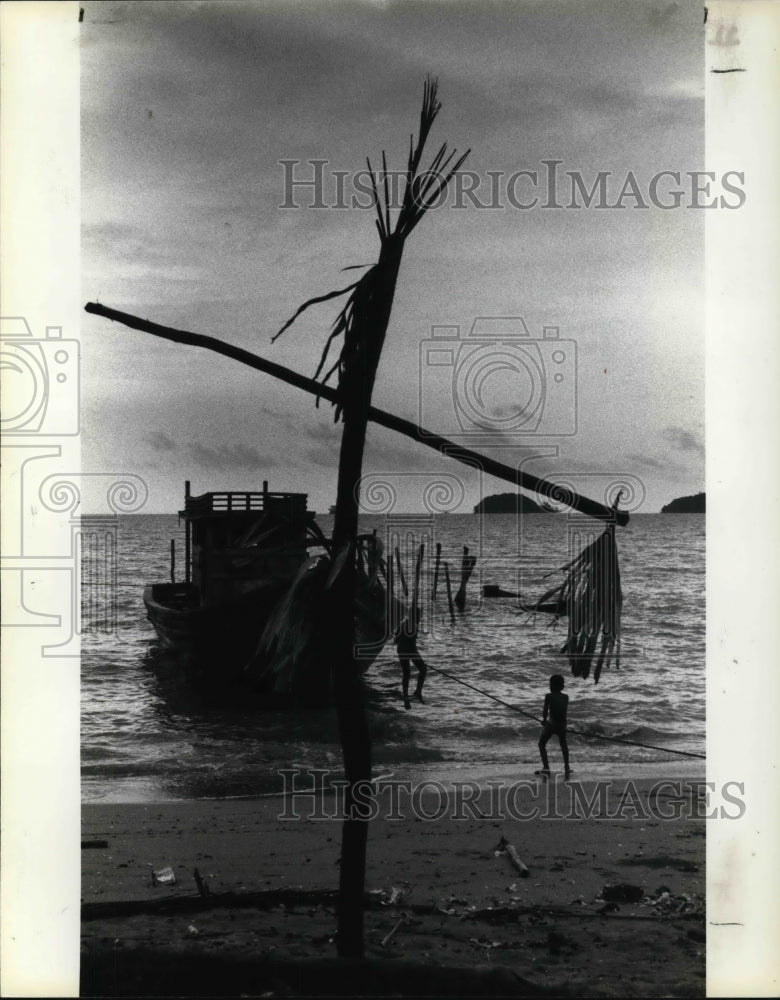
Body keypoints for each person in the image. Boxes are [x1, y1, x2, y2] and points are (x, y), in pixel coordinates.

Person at [538, 674, 571, 777]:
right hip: (561, 725)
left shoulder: (549, 696)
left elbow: (545, 711)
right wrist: (564, 725)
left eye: (550, 685)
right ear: (562, 686)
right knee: (563, 745)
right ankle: (567, 767)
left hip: (551, 724)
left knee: (541, 744)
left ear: (552, 686)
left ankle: (546, 767)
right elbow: (563, 713)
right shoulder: (565, 697)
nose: (549, 687)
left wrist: (544, 721)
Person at [394, 606, 427, 710]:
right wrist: (415, 656)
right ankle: (411, 695)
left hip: (403, 650)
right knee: (416, 670)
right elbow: (413, 646)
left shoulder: (403, 623)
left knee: (411, 672)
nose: (420, 618)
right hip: (406, 651)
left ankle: (411, 695)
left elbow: (396, 639)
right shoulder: (413, 627)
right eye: (419, 616)